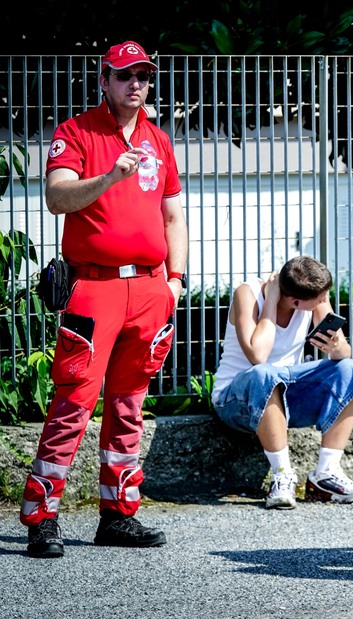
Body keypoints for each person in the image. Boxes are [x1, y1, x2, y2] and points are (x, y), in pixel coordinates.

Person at [21, 41, 188, 558]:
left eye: (142, 75)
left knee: (129, 404)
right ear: (104, 80)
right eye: (124, 76)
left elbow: (173, 215)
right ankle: (42, 517)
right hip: (93, 286)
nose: (135, 84)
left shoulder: (159, 139)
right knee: (73, 400)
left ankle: (119, 514)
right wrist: (111, 174)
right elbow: (56, 197)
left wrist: (175, 280)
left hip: (149, 288)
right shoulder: (76, 132)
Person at [211, 255, 353, 510]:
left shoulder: (313, 296)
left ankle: (326, 474)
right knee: (266, 373)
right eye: (319, 300)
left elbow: (344, 356)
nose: (324, 302)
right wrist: (271, 302)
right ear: (295, 301)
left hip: (284, 397)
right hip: (236, 400)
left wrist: (337, 346)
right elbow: (258, 356)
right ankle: (282, 475)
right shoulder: (248, 294)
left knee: (350, 369)